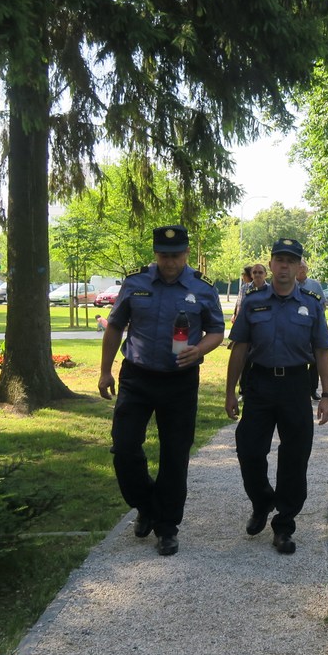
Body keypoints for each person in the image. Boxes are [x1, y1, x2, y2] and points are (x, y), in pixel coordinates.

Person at [98, 225, 226, 557]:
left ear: (186, 254)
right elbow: (115, 325)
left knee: (174, 455)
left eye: (176, 256)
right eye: (164, 256)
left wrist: (199, 350)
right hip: (136, 377)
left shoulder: (202, 288)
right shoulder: (136, 282)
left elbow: (216, 330)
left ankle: (167, 527)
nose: (170, 263)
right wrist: (104, 370)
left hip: (180, 381)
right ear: (155, 254)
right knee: (124, 448)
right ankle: (146, 505)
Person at [225, 238, 328, 555]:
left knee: (295, 456)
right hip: (259, 384)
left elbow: (323, 351)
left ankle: (284, 524)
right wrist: (230, 391)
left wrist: (326, 394)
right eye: (279, 260)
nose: (284, 266)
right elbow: (240, 348)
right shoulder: (254, 302)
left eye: (291, 261)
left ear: (299, 268)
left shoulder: (312, 304)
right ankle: (262, 500)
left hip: (297, 384)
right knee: (249, 448)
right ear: (270, 264)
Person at [296, 262, 326, 400]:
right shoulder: (290, 285)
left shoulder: (315, 285)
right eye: (299, 267)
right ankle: (299, 389)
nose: (301, 269)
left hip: (312, 328)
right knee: (299, 360)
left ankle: (313, 389)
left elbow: (322, 305)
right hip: (295, 328)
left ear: (307, 269)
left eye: (303, 267)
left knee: (314, 361)